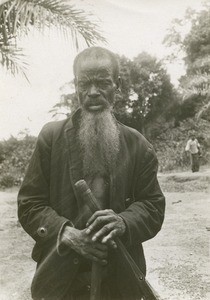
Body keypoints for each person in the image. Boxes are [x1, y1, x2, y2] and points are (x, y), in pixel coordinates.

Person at [17, 47, 165, 300]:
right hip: (60, 279)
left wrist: (124, 221)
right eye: (84, 84)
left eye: (103, 83)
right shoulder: (51, 138)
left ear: (117, 85)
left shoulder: (138, 145)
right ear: (75, 86)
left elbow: (152, 206)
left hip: (120, 278)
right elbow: (30, 204)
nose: (93, 92)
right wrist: (67, 234)